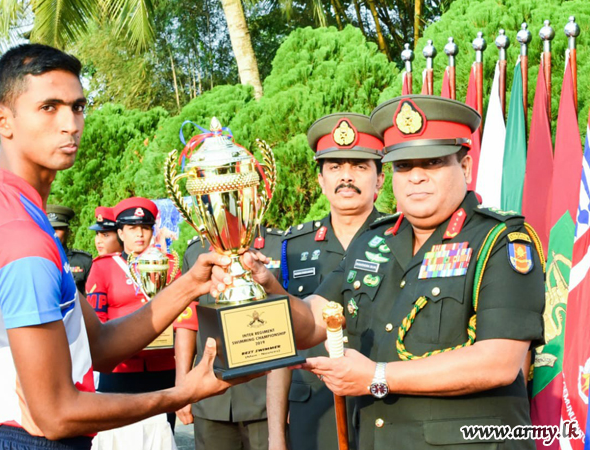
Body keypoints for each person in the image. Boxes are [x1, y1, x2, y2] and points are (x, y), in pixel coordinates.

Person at [0, 43, 247, 450]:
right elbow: (56, 414)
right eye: (48, 107)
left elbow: (99, 347)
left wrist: (191, 284)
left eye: (78, 106)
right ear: (3, 120)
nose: (70, 123)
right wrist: (182, 394)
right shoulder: (19, 239)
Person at [210, 95, 545, 450]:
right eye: (403, 165)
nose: (416, 177)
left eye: (432, 163)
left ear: (465, 167)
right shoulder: (372, 241)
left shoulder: (501, 241)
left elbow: (499, 362)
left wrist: (377, 377)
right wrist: (265, 287)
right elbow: (312, 321)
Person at [266, 113, 384, 450]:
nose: (346, 177)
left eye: (360, 166)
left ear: (379, 180)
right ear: (320, 180)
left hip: (383, 405)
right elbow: (280, 344)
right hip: (314, 408)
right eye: (334, 167)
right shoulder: (294, 246)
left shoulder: (401, 240)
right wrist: (276, 437)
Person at [174, 225, 284, 450]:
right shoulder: (197, 251)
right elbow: (187, 323)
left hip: (264, 394)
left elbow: (293, 319)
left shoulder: (279, 244)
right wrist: (181, 385)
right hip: (210, 395)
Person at [85, 197, 181, 432]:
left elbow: (183, 314)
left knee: (161, 439)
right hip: (120, 371)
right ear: (120, 232)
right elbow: (97, 322)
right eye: (132, 228)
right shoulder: (103, 267)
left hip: (163, 369)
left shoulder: (170, 264)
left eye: (146, 228)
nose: (140, 234)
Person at [47, 204, 92, 294]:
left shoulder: (84, 261)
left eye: (58, 229)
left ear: (68, 231)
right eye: (49, 228)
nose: (53, 233)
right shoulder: (35, 260)